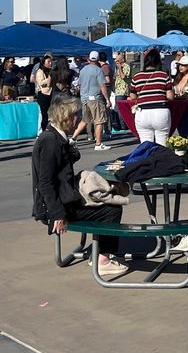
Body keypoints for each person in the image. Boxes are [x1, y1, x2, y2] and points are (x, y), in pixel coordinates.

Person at [31, 94, 128, 277]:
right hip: (57, 206)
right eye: (74, 115)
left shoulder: (55, 137)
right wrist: (57, 214)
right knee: (112, 208)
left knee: (105, 200)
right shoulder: (51, 141)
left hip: (63, 199)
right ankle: (102, 259)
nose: (77, 119)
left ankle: (100, 253)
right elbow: (46, 182)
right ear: (64, 116)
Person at [127, 49, 174, 146]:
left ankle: (146, 160)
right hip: (161, 113)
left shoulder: (137, 77)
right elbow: (170, 97)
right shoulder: (163, 75)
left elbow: (132, 96)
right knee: (162, 144)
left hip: (142, 113)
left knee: (145, 145)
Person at [70, 51, 112, 150]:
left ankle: (73, 138)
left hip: (84, 98)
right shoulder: (98, 70)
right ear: (97, 59)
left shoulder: (83, 70)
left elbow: (79, 85)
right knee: (99, 121)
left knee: (85, 120)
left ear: (89, 59)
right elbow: (102, 85)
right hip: (95, 98)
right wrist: (107, 99)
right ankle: (98, 144)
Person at [113, 53, 131, 131]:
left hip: (123, 91)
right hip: (117, 90)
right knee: (116, 109)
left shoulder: (126, 66)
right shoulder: (117, 68)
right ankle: (119, 125)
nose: (116, 62)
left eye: (117, 60)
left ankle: (123, 126)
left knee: (120, 110)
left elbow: (124, 77)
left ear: (122, 60)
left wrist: (120, 68)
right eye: (115, 60)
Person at [35, 55, 53, 131]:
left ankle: (49, 129)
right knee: (44, 115)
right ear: (43, 63)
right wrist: (49, 79)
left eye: (51, 61)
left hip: (50, 94)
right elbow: (40, 82)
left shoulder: (50, 71)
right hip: (43, 95)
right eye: (48, 62)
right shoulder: (40, 71)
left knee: (50, 114)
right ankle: (43, 130)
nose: (50, 63)